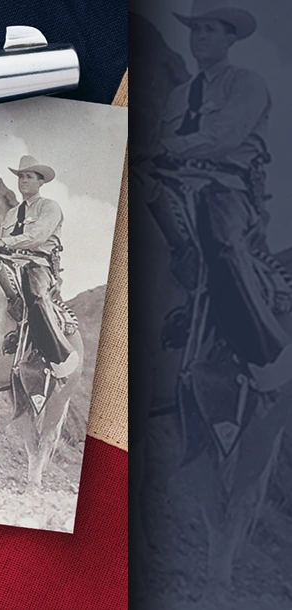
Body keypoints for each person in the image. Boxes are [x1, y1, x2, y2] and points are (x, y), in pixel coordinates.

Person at [153, 4, 292, 391]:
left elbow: (224, 138)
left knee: (225, 245)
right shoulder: (179, 95)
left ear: (231, 38)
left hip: (225, 188)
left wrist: (164, 144)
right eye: (197, 30)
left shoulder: (247, 84)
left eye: (211, 30)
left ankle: (266, 355)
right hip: (172, 182)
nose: (201, 37)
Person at [0, 155, 79, 378]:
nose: (23, 180)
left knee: (34, 293)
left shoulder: (50, 207)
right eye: (21, 176)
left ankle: (58, 358)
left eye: (29, 177)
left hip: (38, 264)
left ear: (40, 182)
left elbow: (37, 236)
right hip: (8, 262)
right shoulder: (11, 213)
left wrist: (3, 243)